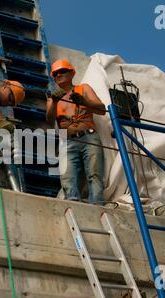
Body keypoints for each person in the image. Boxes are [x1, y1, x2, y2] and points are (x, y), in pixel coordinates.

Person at [46, 59, 107, 203]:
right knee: (67, 176)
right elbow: (49, 120)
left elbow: (102, 109)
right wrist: (54, 101)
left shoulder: (83, 88)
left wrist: (83, 101)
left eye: (62, 71)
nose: (58, 75)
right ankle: (72, 202)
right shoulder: (53, 98)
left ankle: (97, 203)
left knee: (94, 173)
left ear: (72, 73)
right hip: (67, 141)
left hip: (89, 137)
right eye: (55, 73)